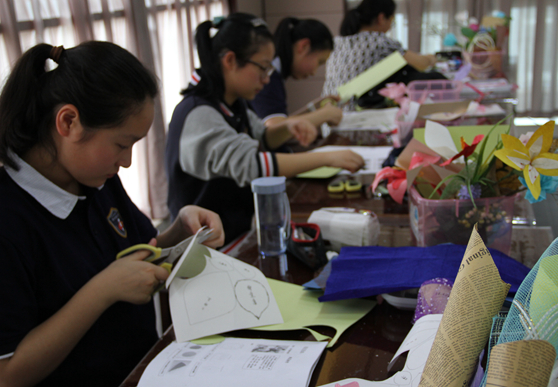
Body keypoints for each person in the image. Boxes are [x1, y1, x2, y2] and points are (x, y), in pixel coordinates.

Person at [0, 41, 224, 387]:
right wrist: (101, 290)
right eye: (122, 144)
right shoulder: (11, 219)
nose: (127, 161)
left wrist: (179, 232)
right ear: (69, 122)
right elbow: (9, 373)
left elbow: (133, 257)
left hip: (146, 369)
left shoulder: (95, 179)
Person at [165, 13, 365, 245]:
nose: (266, 79)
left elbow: (262, 136)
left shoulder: (232, 102)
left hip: (234, 234)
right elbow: (254, 165)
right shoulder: (198, 112)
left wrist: (289, 125)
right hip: (204, 249)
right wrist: (326, 158)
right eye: (263, 67)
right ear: (230, 61)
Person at [322, 0, 440, 98]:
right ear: (381, 18)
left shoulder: (337, 42)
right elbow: (421, 64)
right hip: (355, 112)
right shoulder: (380, 41)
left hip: (328, 110)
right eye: (392, 21)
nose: (390, 26)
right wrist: (431, 58)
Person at [250, 17, 343, 132]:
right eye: (319, 62)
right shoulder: (269, 77)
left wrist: (314, 109)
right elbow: (274, 129)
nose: (314, 73)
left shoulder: (276, 75)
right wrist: (325, 114)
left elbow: (281, 120)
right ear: (303, 46)